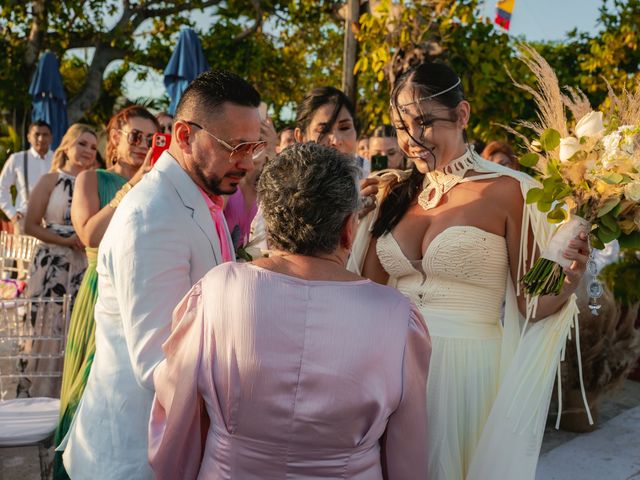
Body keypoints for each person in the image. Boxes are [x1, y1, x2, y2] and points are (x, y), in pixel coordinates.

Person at [349, 62, 589, 480]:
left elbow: (529, 300)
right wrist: (355, 222)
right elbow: (367, 289)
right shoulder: (393, 191)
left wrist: (567, 278)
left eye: (424, 123)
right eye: (402, 127)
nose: (411, 140)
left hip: (468, 371)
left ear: (462, 115)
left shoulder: (511, 190)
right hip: (390, 367)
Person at [149, 141, 431, 480]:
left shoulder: (216, 292)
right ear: (347, 228)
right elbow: (407, 452)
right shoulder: (397, 317)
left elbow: (179, 416)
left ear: (268, 223)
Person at [62, 70, 264, 479]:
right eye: (234, 146)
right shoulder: (150, 216)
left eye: (254, 145)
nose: (246, 160)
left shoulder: (198, 196)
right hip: (132, 454)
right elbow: (157, 363)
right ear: (186, 136)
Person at [53, 105, 159, 480]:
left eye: (152, 138)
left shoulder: (159, 183)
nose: (143, 145)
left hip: (143, 296)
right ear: (115, 137)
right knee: (90, 387)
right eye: (135, 136)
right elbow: (88, 235)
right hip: (100, 291)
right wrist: (136, 183)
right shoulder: (91, 179)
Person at [19, 124, 97, 398]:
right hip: (52, 265)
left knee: (76, 327)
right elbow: (29, 225)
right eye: (83, 144)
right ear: (67, 145)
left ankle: (69, 395)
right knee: (48, 326)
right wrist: (66, 241)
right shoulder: (51, 180)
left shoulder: (96, 182)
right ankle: (40, 394)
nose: (88, 151)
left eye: (93, 147)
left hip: (83, 265)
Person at [249, 86, 377, 252]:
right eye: (323, 130)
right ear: (300, 137)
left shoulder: (374, 182)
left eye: (345, 128)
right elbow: (261, 253)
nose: (336, 140)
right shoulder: (284, 191)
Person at [224, 117, 277, 253]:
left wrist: (272, 151)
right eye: (248, 141)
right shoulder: (229, 180)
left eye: (259, 140)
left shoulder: (271, 185)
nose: (253, 146)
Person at [0, 120, 53, 240]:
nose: (41, 139)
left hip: (52, 222)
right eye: (37, 134)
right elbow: (1, 187)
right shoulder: (17, 159)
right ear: (29, 137)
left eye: (45, 135)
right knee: (24, 258)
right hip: (24, 219)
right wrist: (12, 214)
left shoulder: (57, 159)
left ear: (51, 138)